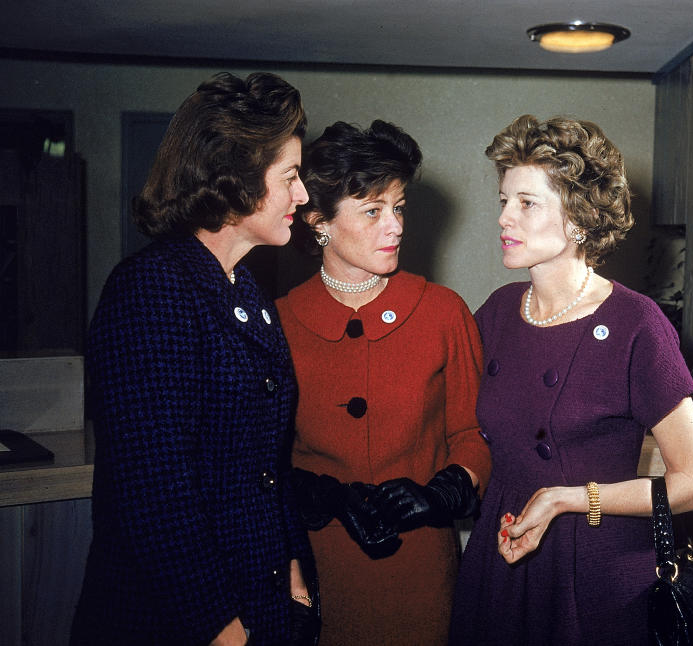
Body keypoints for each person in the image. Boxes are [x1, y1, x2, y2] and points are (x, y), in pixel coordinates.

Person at [71, 72, 320, 646]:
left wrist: (292, 569)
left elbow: (264, 466)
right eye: (290, 176)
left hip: (257, 597)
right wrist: (220, 629)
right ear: (235, 182)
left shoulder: (244, 289)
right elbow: (155, 495)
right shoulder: (151, 289)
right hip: (174, 618)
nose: (303, 195)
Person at [450, 115, 693, 645]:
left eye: (526, 203)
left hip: (594, 572)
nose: (505, 217)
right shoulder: (498, 313)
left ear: (577, 219)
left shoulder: (636, 323)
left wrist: (569, 498)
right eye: (504, 200)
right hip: (500, 559)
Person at [275, 120, 492, 645]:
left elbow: (473, 432)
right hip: (316, 565)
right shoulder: (278, 321)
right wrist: (316, 494)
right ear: (318, 221)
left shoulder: (443, 312)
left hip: (421, 571)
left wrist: (447, 489)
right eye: (372, 211)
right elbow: (263, 455)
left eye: (398, 208)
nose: (394, 226)